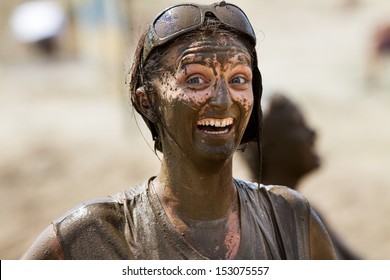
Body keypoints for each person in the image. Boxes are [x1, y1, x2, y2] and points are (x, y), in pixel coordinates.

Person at [21, 2, 335, 260]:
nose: (224, 100)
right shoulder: (92, 238)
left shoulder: (292, 221)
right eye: (196, 80)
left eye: (239, 79)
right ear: (147, 102)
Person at [239, 93, 360, 259]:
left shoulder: (302, 208)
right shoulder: (268, 224)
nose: (313, 133)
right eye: (299, 126)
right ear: (268, 147)